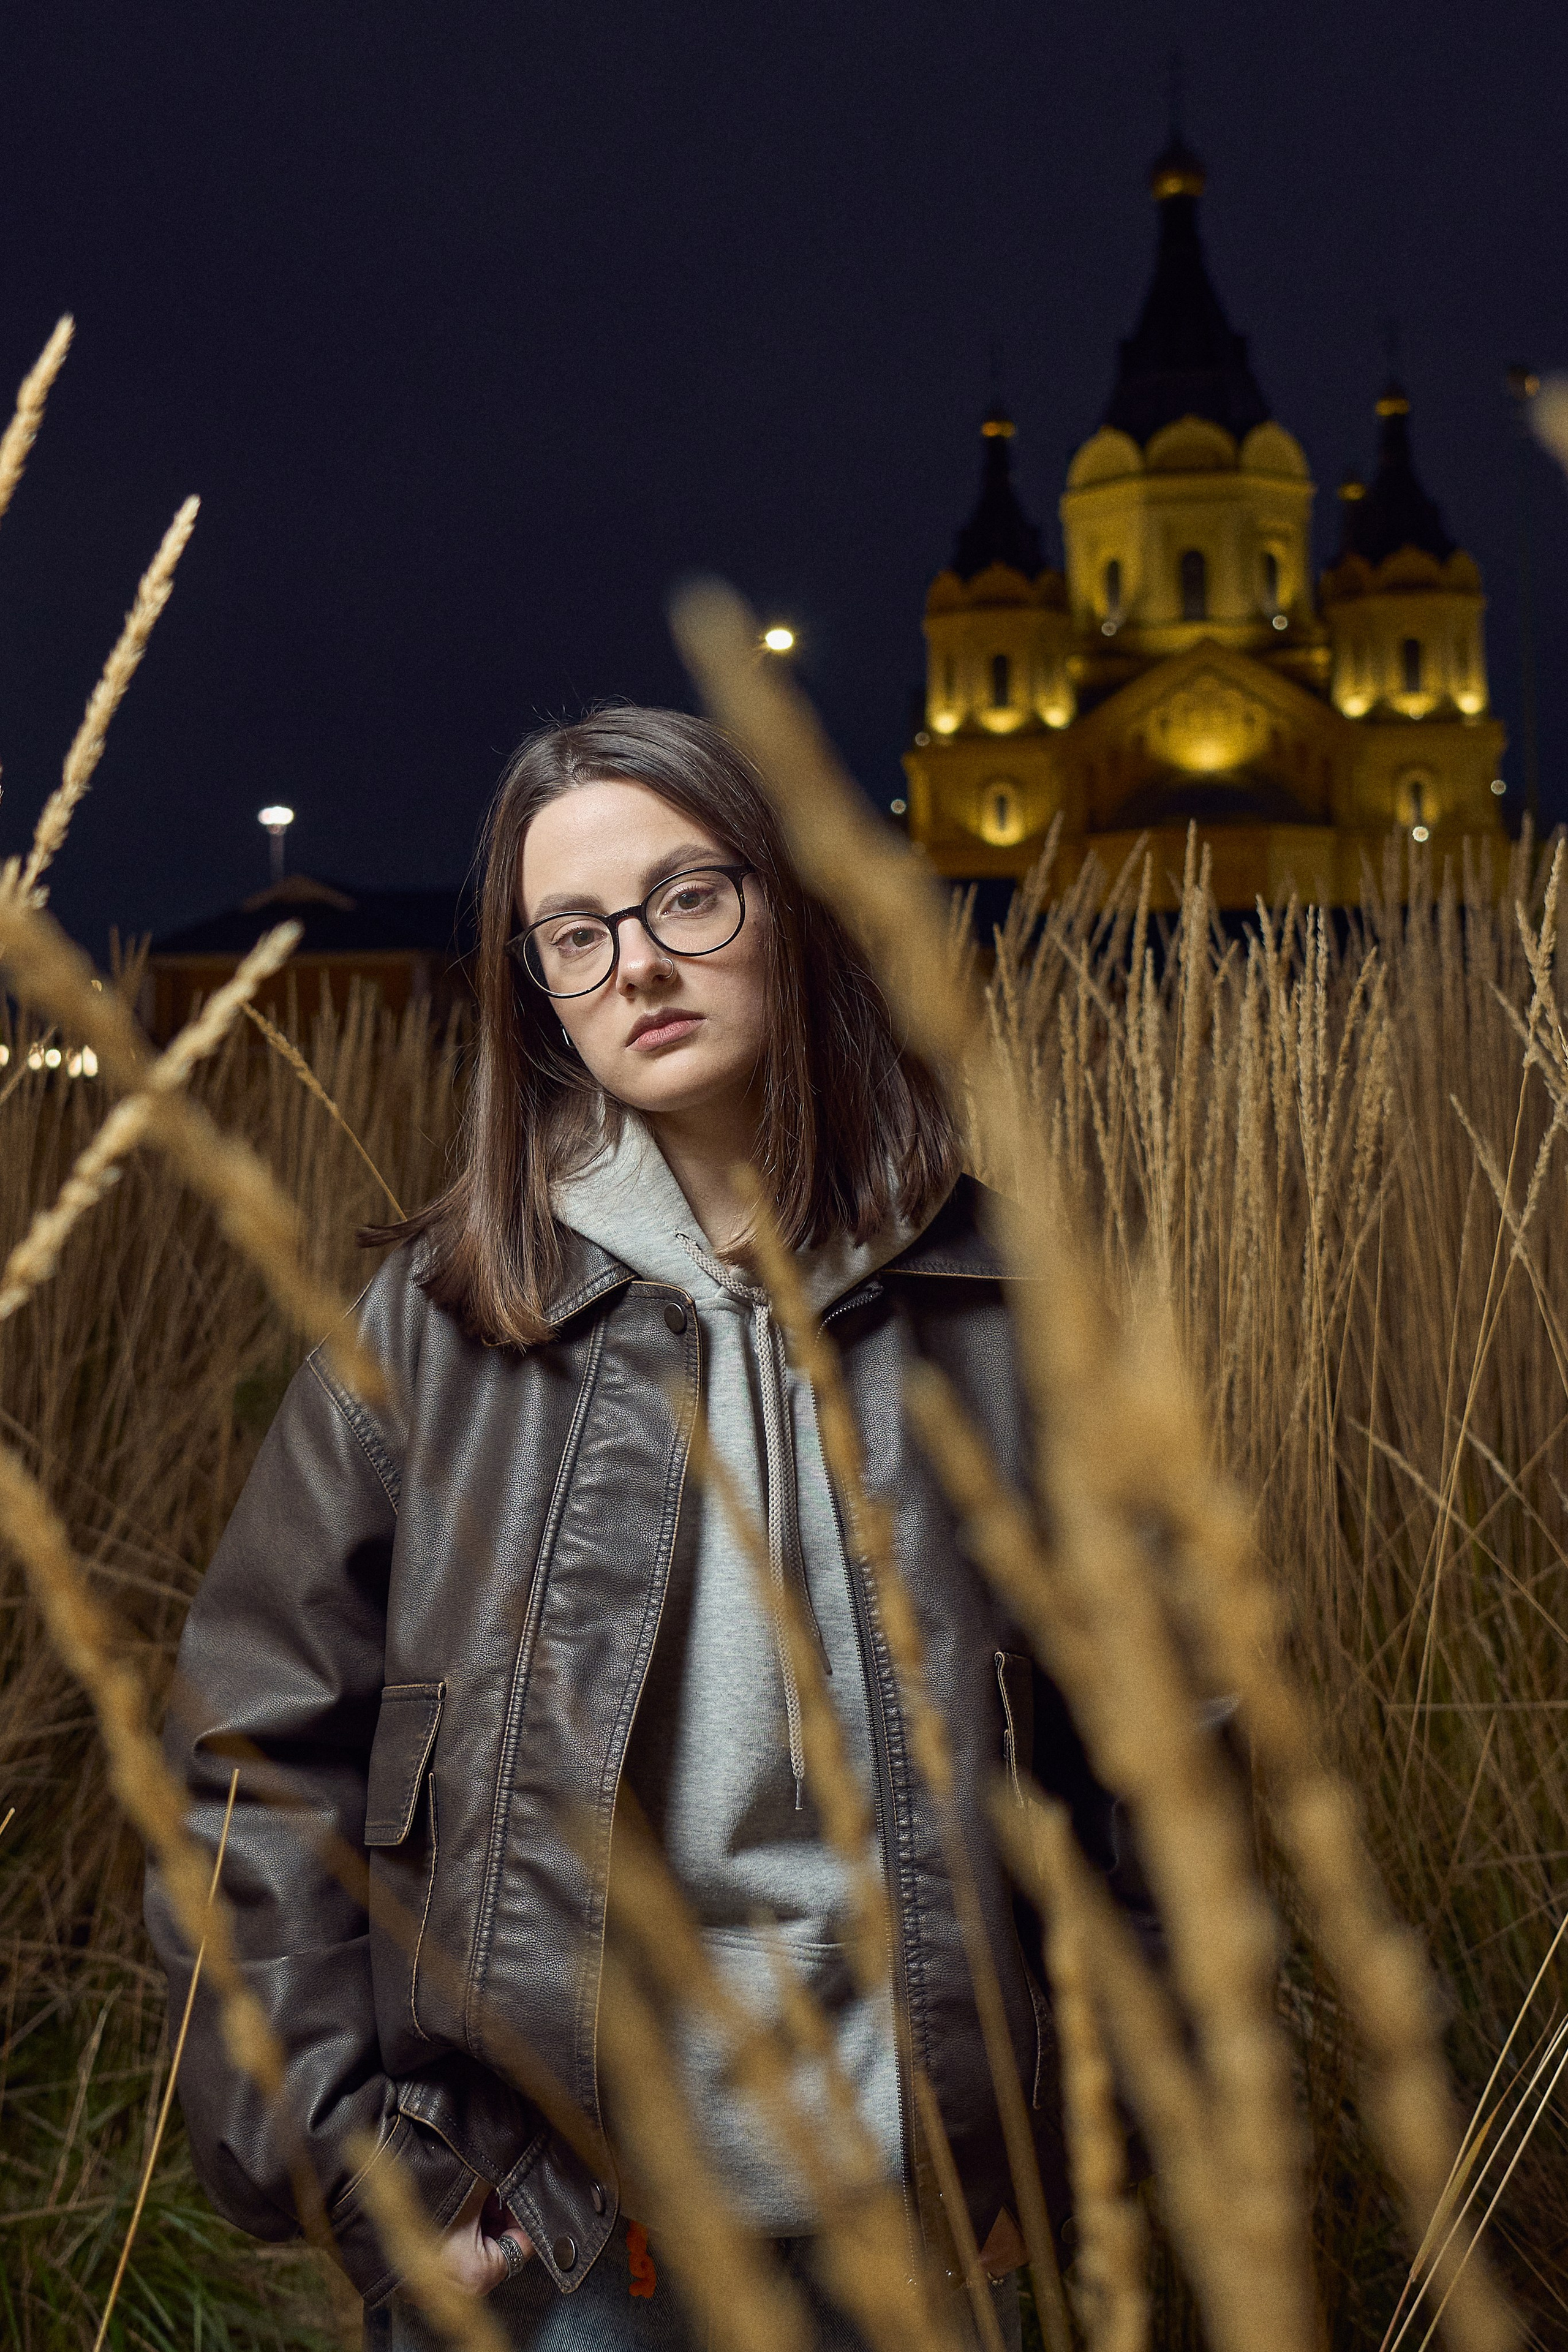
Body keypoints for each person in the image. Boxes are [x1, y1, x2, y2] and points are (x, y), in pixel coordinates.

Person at [148, 707, 1147, 2350]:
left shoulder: (1009, 1303)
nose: (639, 965)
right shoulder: (438, 1328)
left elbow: (1161, 1757)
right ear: (538, 992)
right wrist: (351, 2162)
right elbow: (249, 1758)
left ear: (789, 905)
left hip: (930, 2209)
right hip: (560, 2229)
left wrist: (1083, 2144)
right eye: (575, 934)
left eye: (689, 897)